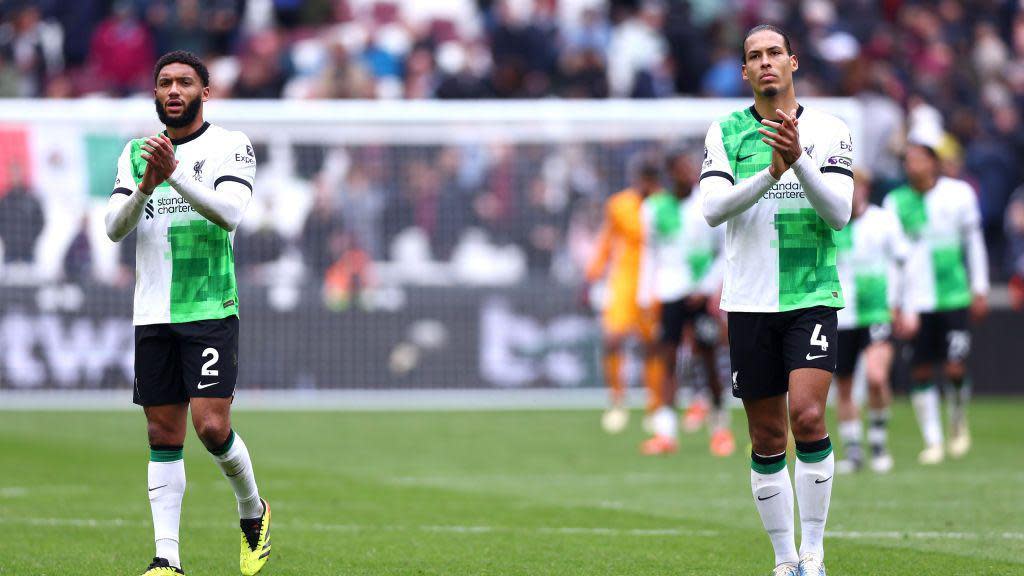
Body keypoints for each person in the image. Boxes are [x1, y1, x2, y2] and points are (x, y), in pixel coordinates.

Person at [104, 50, 271, 576]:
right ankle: (166, 560)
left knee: (211, 426)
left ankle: (252, 509)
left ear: (205, 91)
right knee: (162, 434)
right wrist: (147, 185)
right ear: (155, 94)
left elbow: (229, 214)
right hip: (152, 310)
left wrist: (172, 175)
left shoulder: (230, 145)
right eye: (164, 83)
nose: (173, 90)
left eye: (184, 82)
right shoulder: (136, 154)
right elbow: (114, 227)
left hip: (208, 304)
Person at [700, 24, 854, 576]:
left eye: (774, 53)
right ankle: (784, 560)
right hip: (748, 299)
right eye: (754, 56)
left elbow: (839, 213)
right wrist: (772, 170)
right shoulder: (726, 133)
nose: (765, 63)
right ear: (745, 71)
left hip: (810, 293)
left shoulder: (831, 130)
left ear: (793, 62)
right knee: (767, 435)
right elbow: (714, 210)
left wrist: (798, 159)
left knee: (808, 416)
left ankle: (813, 553)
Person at [884, 140, 989, 465]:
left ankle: (957, 420)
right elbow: (893, 259)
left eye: (918, 158)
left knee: (956, 366)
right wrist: (895, 302)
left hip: (954, 295)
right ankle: (933, 439)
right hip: (916, 300)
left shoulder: (959, 194)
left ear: (933, 162)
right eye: (907, 160)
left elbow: (973, 242)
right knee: (920, 369)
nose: (911, 165)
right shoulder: (895, 201)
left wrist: (980, 286)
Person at [637, 149, 731, 456]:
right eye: (681, 168)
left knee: (708, 358)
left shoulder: (706, 206)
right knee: (666, 360)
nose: (688, 172)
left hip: (699, 295)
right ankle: (665, 433)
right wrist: (644, 294)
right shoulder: (653, 208)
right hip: (669, 292)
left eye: (690, 167)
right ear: (670, 173)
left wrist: (707, 288)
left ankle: (719, 430)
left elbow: (723, 250)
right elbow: (649, 253)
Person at [833, 169, 909, 474]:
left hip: (877, 311)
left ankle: (877, 442)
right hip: (840, 313)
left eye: (855, 186)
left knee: (877, 377)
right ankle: (853, 450)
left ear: (864, 189)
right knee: (845, 384)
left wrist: (900, 302)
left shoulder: (883, 220)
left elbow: (903, 259)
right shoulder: (829, 221)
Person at [586, 156, 666, 433]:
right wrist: (593, 273)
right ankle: (617, 400)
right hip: (625, 279)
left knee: (652, 344)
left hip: (655, 280)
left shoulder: (666, 206)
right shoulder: (619, 205)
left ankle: (655, 406)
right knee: (612, 337)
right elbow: (607, 241)